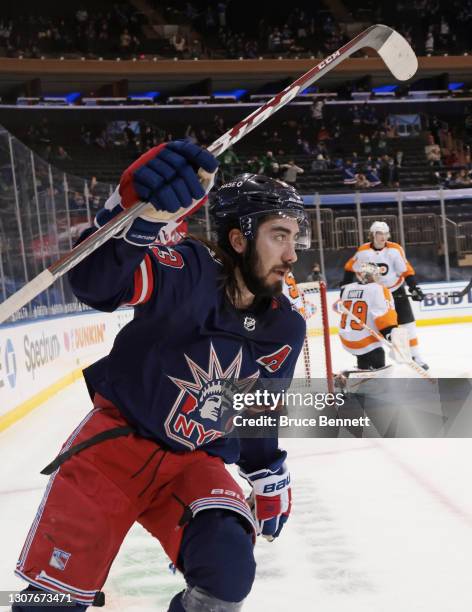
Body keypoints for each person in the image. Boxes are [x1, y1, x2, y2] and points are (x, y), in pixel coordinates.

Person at [12, 142, 310, 612]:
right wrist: (130, 219)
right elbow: (98, 285)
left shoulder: (284, 325)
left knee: (228, 570)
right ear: (239, 239)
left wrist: (267, 469)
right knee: (48, 604)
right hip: (114, 451)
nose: (293, 253)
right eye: (279, 236)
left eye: (296, 238)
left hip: (193, 464)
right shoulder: (187, 269)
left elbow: (259, 407)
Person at [342, 221, 428, 369]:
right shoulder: (363, 251)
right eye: (379, 233)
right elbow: (350, 267)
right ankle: (367, 359)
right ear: (372, 235)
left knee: (408, 324)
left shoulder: (395, 249)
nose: (383, 237)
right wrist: (344, 286)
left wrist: (414, 287)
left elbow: (405, 270)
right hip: (374, 294)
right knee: (377, 325)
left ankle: (415, 356)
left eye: (385, 233)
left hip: (395, 290)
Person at [338, 262, 402, 370]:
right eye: (377, 274)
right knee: (377, 351)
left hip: (346, 339)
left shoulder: (346, 289)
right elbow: (384, 317)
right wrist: (390, 333)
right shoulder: (379, 289)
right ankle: (377, 374)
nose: (378, 277)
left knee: (363, 354)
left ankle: (363, 368)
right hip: (366, 341)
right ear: (372, 275)